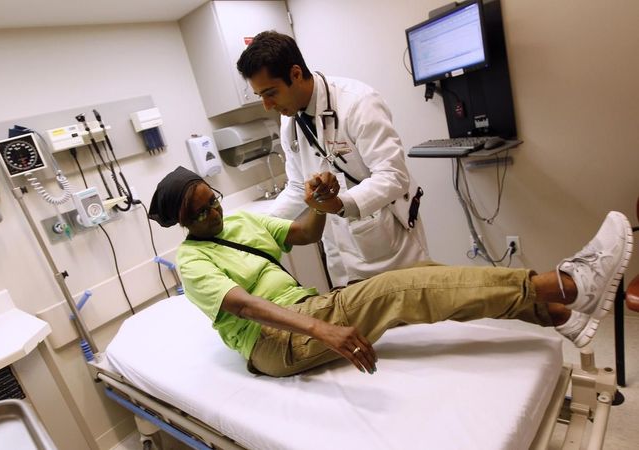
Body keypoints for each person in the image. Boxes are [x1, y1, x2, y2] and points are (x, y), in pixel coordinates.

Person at [149, 167, 633, 378]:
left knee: (417, 278)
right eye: (203, 211)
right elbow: (245, 305)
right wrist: (323, 327)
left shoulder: (237, 220)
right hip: (275, 342)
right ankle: (567, 284)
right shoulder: (192, 261)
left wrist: (319, 204)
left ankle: (554, 314)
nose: (215, 210)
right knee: (401, 288)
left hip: (305, 310)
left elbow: (303, 234)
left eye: (213, 198)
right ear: (185, 222)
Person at [236, 31, 428, 287]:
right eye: (261, 96)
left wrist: (339, 204)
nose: (267, 105)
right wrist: (262, 226)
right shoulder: (288, 119)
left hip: (388, 242)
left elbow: (393, 175)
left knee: (413, 319)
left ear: (295, 74)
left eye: (271, 92)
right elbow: (296, 187)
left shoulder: (358, 102)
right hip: (339, 251)